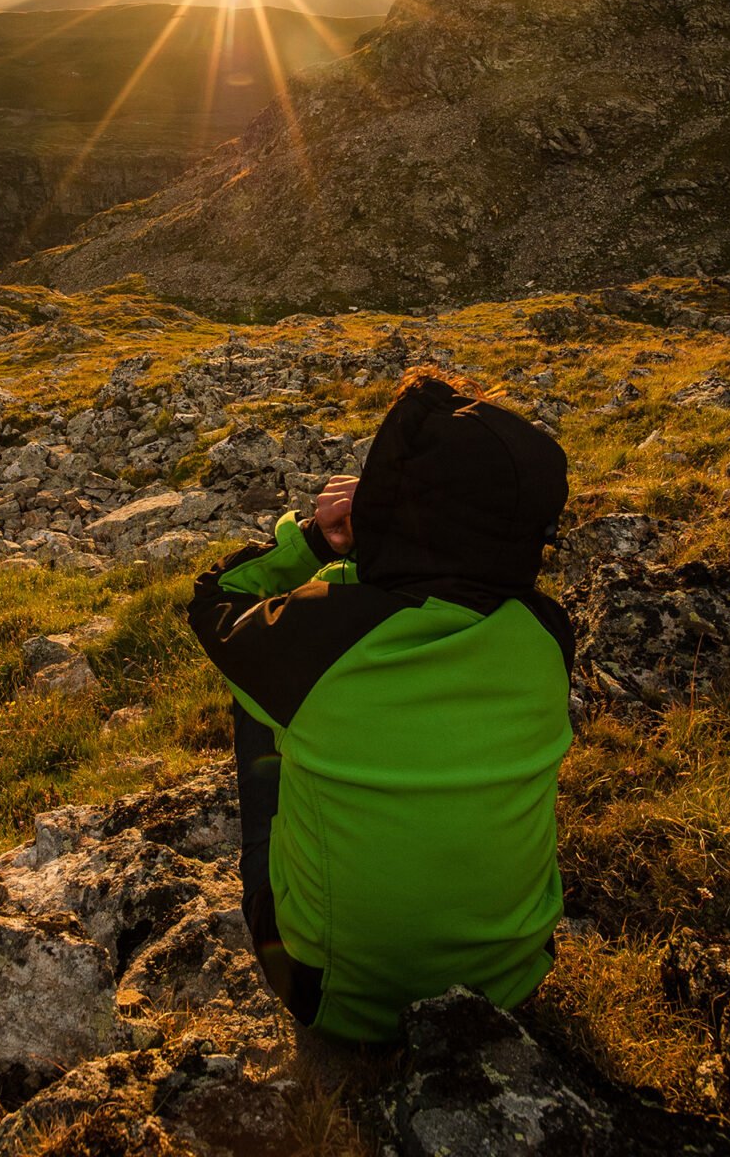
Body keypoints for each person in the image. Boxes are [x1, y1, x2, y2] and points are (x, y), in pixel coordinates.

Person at [186, 366, 575, 1043]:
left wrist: (314, 539)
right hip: (516, 978)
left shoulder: (317, 634)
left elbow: (214, 603)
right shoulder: (548, 636)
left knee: (261, 692)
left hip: (335, 997)